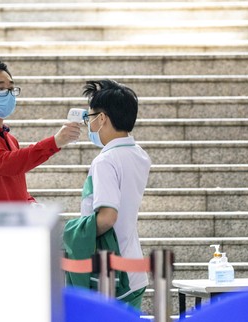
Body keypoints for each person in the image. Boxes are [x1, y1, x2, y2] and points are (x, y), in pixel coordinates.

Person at [65, 79, 151, 310]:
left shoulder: (106, 160)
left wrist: (71, 233)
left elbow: (107, 217)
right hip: (133, 266)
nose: (89, 124)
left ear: (101, 118)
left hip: (114, 275)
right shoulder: (138, 154)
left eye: (90, 117)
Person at [0, 60, 81, 203]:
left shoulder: (9, 138)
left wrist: (31, 202)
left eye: (11, 89)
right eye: (1, 89)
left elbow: (14, 184)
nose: (9, 95)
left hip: (15, 222)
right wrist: (55, 141)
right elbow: (9, 165)